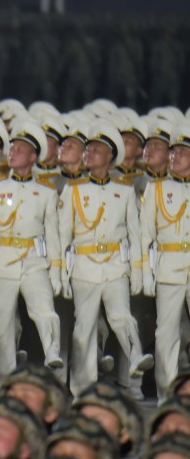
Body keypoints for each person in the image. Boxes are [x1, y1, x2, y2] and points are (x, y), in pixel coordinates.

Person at [59, 120, 152, 396]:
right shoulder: (73, 189)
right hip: (84, 267)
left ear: (111, 156)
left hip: (115, 265)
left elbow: (135, 235)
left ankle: (135, 356)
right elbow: (64, 236)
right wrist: (62, 273)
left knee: (121, 316)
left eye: (97, 150)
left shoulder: (124, 191)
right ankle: (82, 389)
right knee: (83, 328)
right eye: (88, 150)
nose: (89, 154)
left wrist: (137, 272)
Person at [0, 120, 63, 384]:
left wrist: (56, 270)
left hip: (34, 261)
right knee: (1, 326)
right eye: (11, 148)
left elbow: (53, 235)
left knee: (45, 310)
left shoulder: (46, 192)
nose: (13, 153)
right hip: (2, 261)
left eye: (21, 149)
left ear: (34, 156)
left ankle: (53, 352)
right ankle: (4, 383)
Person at [142, 122, 190, 401]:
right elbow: (145, 235)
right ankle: (166, 395)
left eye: (182, 153)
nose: (174, 157)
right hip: (168, 265)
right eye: (173, 152)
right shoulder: (156, 189)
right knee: (166, 334)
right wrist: (147, 272)